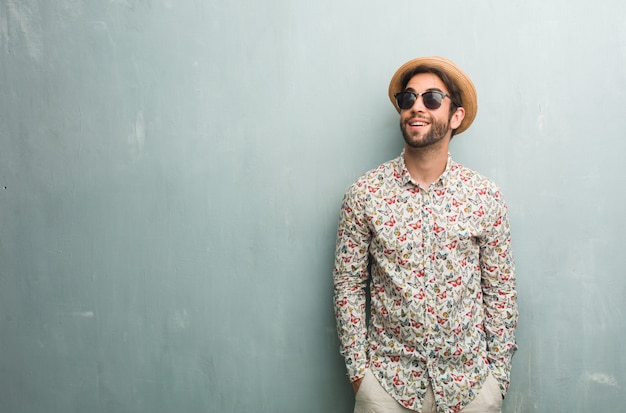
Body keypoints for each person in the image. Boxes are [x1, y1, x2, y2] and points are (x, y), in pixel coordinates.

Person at [332, 56, 518, 413]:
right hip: (386, 389)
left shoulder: (484, 196)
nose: (417, 107)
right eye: (408, 99)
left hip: (470, 389)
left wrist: (497, 381)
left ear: (456, 116)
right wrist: (360, 375)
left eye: (431, 98)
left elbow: (500, 291)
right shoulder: (365, 194)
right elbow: (348, 285)